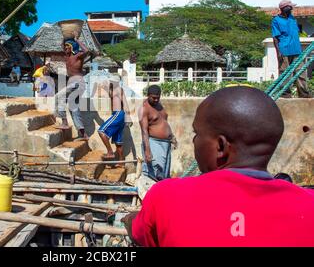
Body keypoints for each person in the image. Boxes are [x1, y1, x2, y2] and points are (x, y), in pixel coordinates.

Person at [123, 87, 314, 247]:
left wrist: (128, 219)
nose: (194, 140)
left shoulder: (166, 196)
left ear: (220, 146)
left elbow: (140, 231)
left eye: (197, 133)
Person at [53, 31, 90, 141]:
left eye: (67, 47)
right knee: (73, 108)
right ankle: (83, 134)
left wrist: (76, 39)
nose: (65, 48)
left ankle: (64, 122)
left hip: (78, 83)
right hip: (74, 84)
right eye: (65, 47)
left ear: (72, 47)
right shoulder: (67, 57)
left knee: (58, 96)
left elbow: (87, 50)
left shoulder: (78, 56)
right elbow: (61, 47)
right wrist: (64, 38)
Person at [272, 0, 311, 98]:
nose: (292, 8)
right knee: (285, 73)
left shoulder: (292, 19)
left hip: (296, 50)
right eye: (290, 7)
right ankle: (285, 94)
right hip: (284, 50)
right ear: (284, 8)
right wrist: (278, 52)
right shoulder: (276, 20)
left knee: (300, 72)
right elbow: (275, 38)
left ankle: (304, 93)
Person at [138, 85, 175, 181]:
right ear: (148, 95)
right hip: (154, 143)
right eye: (153, 98)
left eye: (158, 97)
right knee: (155, 174)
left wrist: (172, 137)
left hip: (166, 144)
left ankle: (163, 194)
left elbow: (163, 121)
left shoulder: (159, 105)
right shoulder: (144, 108)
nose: (156, 100)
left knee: (164, 174)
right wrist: (147, 150)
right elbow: (144, 131)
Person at [97, 80, 131, 163]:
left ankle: (110, 152)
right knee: (118, 141)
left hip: (118, 114)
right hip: (118, 115)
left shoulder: (119, 89)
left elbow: (125, 103)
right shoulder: (112, 89)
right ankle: (121, 162)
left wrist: (128, 117)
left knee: (101, 131)